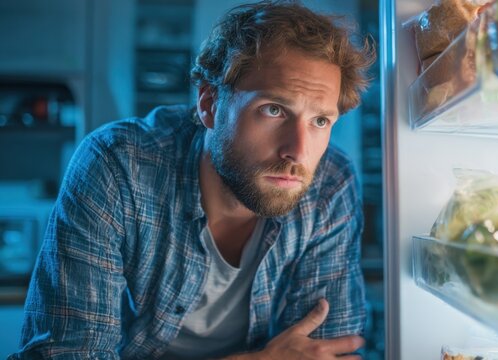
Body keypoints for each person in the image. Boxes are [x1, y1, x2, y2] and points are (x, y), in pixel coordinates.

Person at [11, 1, 375, 359]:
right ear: (209, 104)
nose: (297, 151)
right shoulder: (117, 164)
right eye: (274, 110)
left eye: (320, 121)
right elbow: (68, 354)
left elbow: (329, 349)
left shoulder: (330, 181)